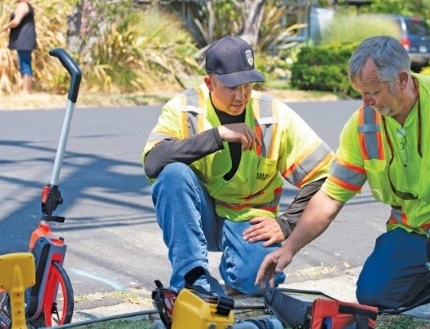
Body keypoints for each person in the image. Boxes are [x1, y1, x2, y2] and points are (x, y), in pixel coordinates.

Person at [255, 35, 430, 329]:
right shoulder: (363, 124)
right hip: (418, 231)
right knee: (374, 295)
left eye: (373, 92)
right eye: (361, 93)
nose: (366, 103)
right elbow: (330, 197)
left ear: (402, 79)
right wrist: (290, 249)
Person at [141, 35, 334, 296]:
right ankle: (192, 278)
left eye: (247, 86)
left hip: (248, 220)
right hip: (200, 215)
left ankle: (236, 272)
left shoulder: (273, 115)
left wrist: (286, 223)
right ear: (209, 82)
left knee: (260, 283)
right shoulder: (185, 108)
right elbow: (153, 162)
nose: (241, 96)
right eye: (231, 87)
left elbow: (324, 173)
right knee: (173, 174)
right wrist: (216, 135)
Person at [2, 0, 37, 95]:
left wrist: (6, 26)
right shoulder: (26, 5)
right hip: (24, 39)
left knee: (25, 64)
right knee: (25, 63)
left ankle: (26, 90)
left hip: (24, 39)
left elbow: (16, 21)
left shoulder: (23, 5)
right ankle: (26, 89)